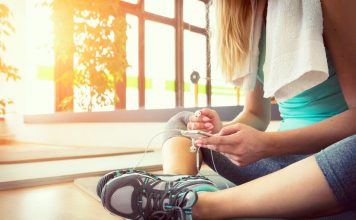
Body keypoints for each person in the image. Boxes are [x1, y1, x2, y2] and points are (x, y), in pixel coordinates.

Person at [97, 0, 356, 219]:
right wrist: (221, 134)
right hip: (278, 167)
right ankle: (178, 186)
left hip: (330, 167)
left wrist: (268, 144)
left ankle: (202, 206)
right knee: (183, 122)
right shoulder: (249, 19)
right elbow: (256, 114)